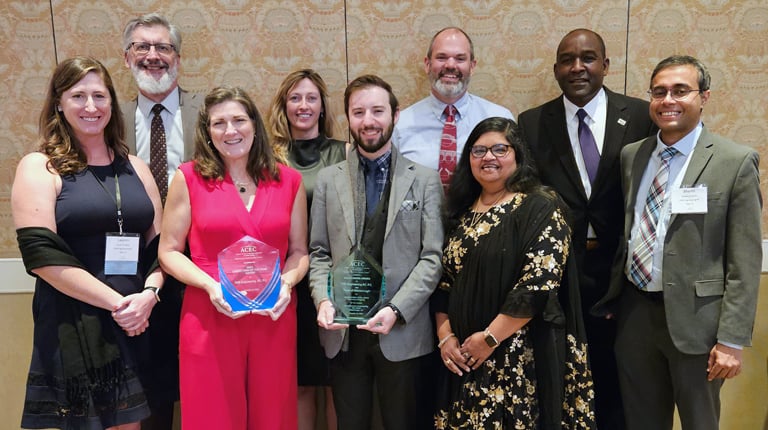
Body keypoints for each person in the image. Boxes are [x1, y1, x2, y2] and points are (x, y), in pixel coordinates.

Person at [593, 55, 762, 430]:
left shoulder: (734, 161)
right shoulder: (632, 156)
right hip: (635, 316)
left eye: (680, 90)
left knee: (700, 422)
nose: (668, 99)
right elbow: (630, 231)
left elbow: (745, 261)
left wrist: (731, 339)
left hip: (698, 324)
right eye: (659, 91)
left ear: (704, 97)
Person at [12, 56, 164, 429]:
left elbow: (162, 249)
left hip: (138, 321)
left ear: (113, 102)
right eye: (78, 96)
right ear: (59, 104)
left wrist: (149, 296)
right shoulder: (39, 166)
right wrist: (118, 304)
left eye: (100, 95)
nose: (91, 106)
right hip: (74, 320)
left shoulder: (135, 167)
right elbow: (41, 255)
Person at [517, 28, 657, 429]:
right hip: (563, 275)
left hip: (622, 275)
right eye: (567, 59)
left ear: (606, 65)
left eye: (589, 58)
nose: (577, 67)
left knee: (619, 380)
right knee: (564, 379)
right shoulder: (531, 123)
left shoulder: (639, 117)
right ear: (556, 69)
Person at [158, 86, 308, 429]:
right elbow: (168, 251)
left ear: (255, 125)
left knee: (274, 415)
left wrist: (287, 283)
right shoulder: (189, 178)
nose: (230, 131)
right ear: (207, 132)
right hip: (210, 313)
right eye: (219, 123)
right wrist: (211, 286)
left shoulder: (289, 181)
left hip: (273, 315)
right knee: (212, 415)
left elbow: (299, 251)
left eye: (239, 120)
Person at [433, 117, 595, 429]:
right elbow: (443, 285)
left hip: (521, 356)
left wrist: (489, 339)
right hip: (463, 360)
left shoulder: (542, 206)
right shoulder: (461, 212)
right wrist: (446, 338)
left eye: (499, 149)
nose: (488, 157)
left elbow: (538, 284)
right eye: (478, 150)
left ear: (518, 155)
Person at [309, 74, 443, 430]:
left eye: (377, 110)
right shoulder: (327, 179)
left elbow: (433, 258)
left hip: (402, 331)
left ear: (395, 115)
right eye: (358, 112)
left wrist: (397, 309)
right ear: (349, 118)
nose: (368, 120)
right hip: (343, 332)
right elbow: (319, 252)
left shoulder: (426, 180)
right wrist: (322, 299)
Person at [121, 13, 202, 429]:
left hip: (198, 263)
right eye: (142, 47)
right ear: (127, 57)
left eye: (163, 47)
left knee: (201, 372)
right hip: (132, 267)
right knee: (147, 378)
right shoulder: (108, 118)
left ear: (178, 57)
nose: (153, 56)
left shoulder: (209, 112)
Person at [266, 69, 345, 430]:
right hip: (285, 277)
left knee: (335, 381)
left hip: (332, 278)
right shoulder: (267, 157)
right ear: (284, 105)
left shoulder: (344, 153)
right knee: (298, 378)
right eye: (295, 98)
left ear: (322, 106)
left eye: (311, 98)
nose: (303, 106)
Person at [393, 27, 513, 189]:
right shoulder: (400, 125)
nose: (450, 65)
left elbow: (513, 182)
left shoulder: (500, 119)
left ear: (472, 66)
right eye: (441, 57)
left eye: (460, 58)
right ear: (427, 64)